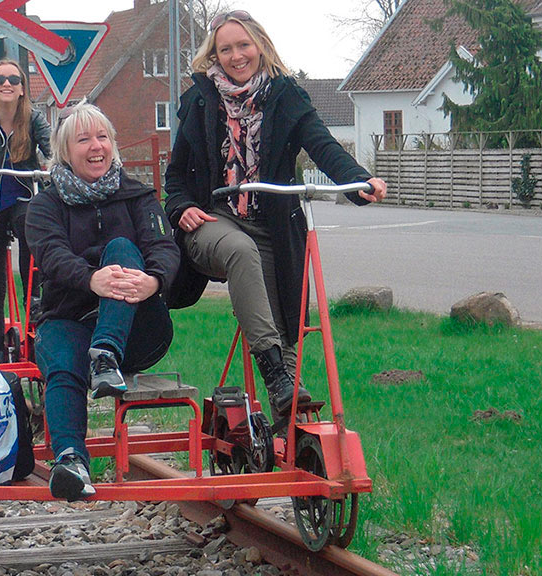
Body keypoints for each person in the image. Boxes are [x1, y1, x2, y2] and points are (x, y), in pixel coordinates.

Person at [164, 10, 388, 429]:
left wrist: (359, 181)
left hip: (271, 222)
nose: (236, 56)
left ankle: (289, 424)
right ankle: (277, 380)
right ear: (214, 54)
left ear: (260, 46)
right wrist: (180, 209)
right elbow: (175, 175)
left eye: (243, 45)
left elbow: (322, 144)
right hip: (211, 221)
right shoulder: (200, 100)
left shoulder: (286, 97)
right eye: (225, 49)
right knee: (240, 250)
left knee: (284, 299)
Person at [27, 103, 180, 501]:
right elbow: (51, 255)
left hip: (136, 327)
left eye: (102, 138)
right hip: (70, 316)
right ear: (65, 151)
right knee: (61, 367)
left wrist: (154, 281)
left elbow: (164, 246)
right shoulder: (45, 205)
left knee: (123, 248)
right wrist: (90, 279)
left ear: (113, 145)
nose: (96, 147)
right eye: (83, 140)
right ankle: (71, 461)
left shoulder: (139, 195)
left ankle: (106, 355)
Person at [0, 59, 52, 363]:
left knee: (34, 226)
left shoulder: (33, 118)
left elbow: (51, 144)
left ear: (21, 89)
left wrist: (61, 163)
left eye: (14, 80)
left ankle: (35, 309)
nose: (7, 84)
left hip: (23, 198)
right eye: (0, 79)